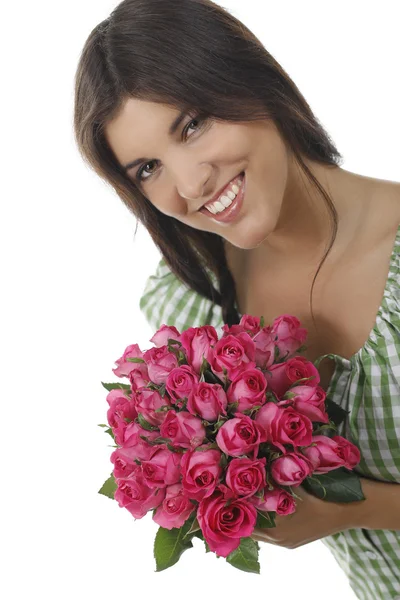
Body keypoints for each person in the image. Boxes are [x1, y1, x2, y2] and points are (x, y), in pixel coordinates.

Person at [73, 0, 400, 597]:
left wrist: (354, 509)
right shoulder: (189, 308)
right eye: (148, 167)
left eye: (192, 124)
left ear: (252, 80)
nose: (190, 184)